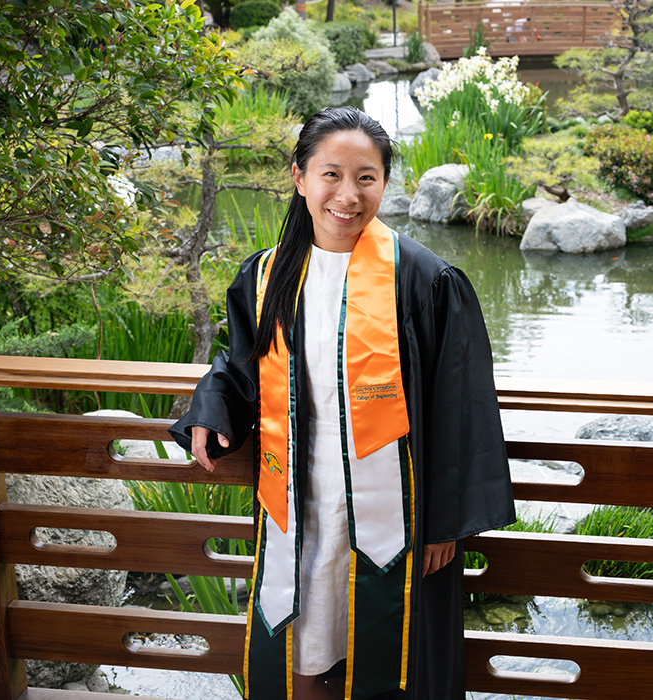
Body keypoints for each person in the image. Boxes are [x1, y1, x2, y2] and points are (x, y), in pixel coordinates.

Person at [169, 106, 515, 700]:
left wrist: (444, 525)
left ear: (385, 182)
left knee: (390, 659)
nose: (348, 195)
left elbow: (463, 406)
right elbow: (242, 364)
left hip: (399, 519)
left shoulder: (423, 280)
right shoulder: (267, 275)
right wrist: (211, 404)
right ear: (300, 177)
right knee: (303, 649)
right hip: (301, 505)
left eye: (366, 177)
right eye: (331, 174)